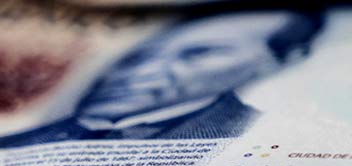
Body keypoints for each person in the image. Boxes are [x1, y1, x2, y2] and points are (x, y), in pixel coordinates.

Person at [0, 10, 324, 145]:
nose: (141, 72)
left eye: (197, 55)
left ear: (278, 60)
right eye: (138, 57)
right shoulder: (18, 142)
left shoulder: (258, 140)